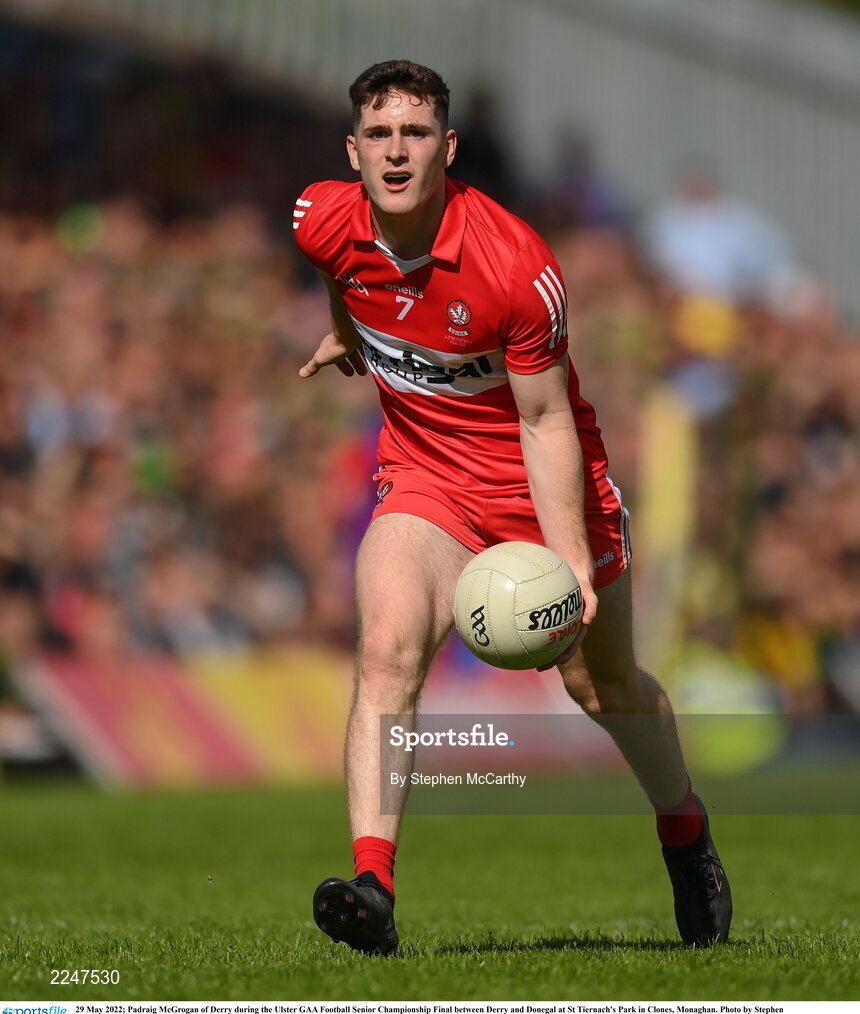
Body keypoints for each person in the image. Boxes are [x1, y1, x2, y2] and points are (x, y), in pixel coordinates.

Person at [293, 60, 731, 955]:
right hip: (425, 481)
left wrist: (569, 556)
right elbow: (345, 274)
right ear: (353, 151)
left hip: (545, 488)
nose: (396, 151)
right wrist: (347, 328)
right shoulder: (320, 220)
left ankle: (685, 834)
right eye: (378, 136)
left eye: (415, 134)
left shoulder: (516, 267)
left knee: (599, 686)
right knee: (386, 647)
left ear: (448, 148)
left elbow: (543, 418)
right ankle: (373, 883)